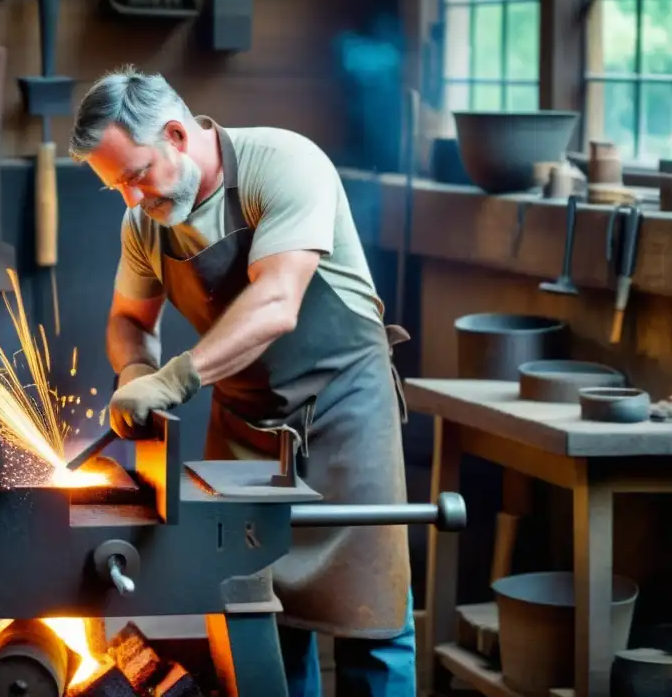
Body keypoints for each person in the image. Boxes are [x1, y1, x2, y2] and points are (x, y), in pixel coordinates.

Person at [68, 66, 415, 697]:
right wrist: (136, 370)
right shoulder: (144, 224)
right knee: (258, 622)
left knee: (373, 619)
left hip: (344, 413)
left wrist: (174, 377)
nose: (131, 198)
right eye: (116, 186)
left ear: (175, 134)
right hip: (244, 428)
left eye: (136, 174)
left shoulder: (282, 165)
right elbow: (127, 319)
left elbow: (279, 301)